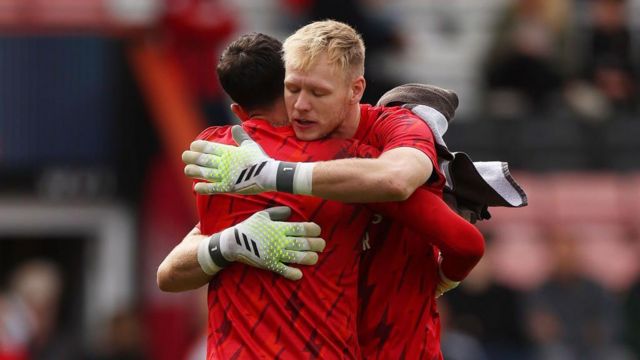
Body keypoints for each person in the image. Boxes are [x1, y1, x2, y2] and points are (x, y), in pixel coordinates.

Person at [160, 25, 483, 359]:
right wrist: (228, 244)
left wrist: (271, 174)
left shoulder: (219, 152)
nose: (301, 105)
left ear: (355, 90)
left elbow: (395, 180)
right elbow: (167, 273)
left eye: (317, 93)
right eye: (293, 90)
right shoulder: (246, 162)